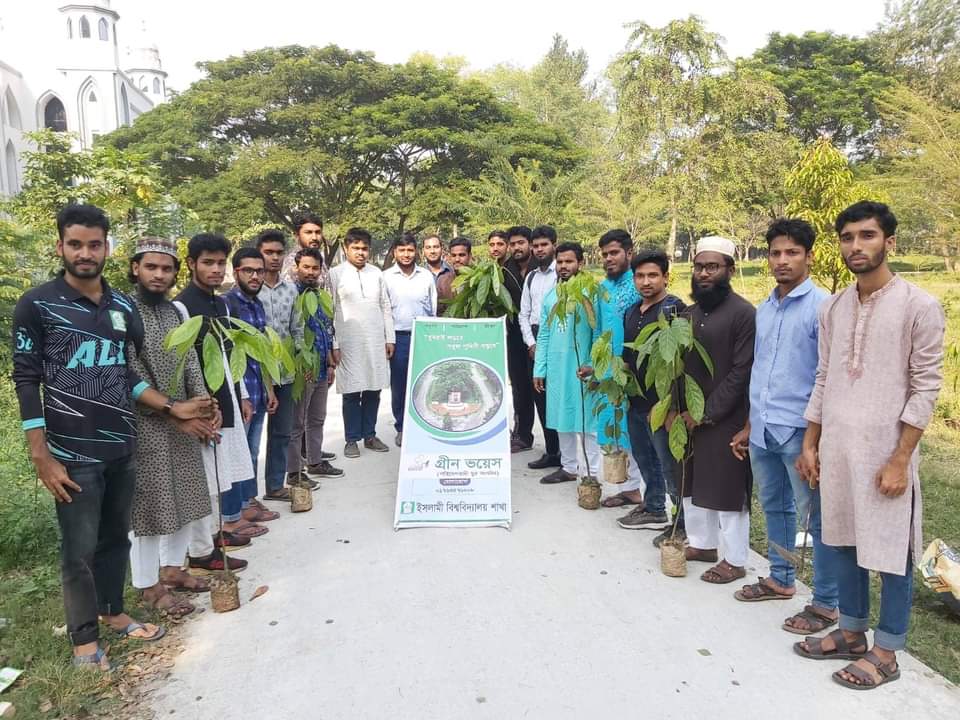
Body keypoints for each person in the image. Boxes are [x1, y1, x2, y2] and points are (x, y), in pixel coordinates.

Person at [12, 204, 214, 669]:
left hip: (123, 444)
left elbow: (125, 373)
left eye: (94, 244)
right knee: (77, 550)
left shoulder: (123, 308)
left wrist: (171, 407)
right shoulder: (37, 304)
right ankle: (84, 642)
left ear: (108, 247)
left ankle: (114, 613)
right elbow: (26, 380)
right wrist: (41, 454)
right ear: (60, 245)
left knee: (115, 540)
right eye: (75, 244)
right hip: (70, 450)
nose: (85, 253)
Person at [795, 201, 945, 691]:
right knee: (840, 543)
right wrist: (811, 441)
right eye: (847, 237)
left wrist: (901, 458)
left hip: (885, 456)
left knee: (890, 553)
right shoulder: (833, 306)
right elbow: (824, 377)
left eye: (866, 236)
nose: (855, 246)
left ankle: (888, 650)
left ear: (889, 243)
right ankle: (854, 632)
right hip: (836, 451)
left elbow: (926, 387)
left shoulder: (919, 306)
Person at [729, 219, 840, 634]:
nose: (782, 260)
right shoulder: (766, 308)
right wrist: (748, 423)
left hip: (800, 433)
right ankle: (781, 578)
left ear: (809, 257)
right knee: (775, 508)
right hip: (762, 431)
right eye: (775, 253)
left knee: (817, 519)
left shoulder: (824, 307)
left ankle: (827, 602)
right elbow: (761, 371)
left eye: (792, 252)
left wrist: (814, 439)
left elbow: (828, 376)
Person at [126, 237, 224, 619]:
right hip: (146, 422)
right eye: (151, 267)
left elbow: (192, 363)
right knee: (149, 508)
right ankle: (148, 585)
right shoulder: (123, 311)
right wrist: (174, 411)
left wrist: (205, 404)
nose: (159, 275)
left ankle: (173, 569)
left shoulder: (176, 313)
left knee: (185, 496)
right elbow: (126, 371)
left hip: (184, 421)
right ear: (136, 268)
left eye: (166, 269)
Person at [174, 233, 264, 555]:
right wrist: (197, 406)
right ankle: (203, 546)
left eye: (220, 263)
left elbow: (229, 353)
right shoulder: (181, 308)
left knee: (220, 471)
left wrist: (240, 394)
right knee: (204, 475)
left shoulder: (222, 303)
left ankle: (217, 534)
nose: (215, 269)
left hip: (226, 391)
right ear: (191, 264)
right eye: (207, 262)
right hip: (201, 402)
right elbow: (182, 362)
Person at [680, 236, 755, 585]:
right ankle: (702, 544)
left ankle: (735, 559)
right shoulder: (688, 314)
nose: (704, 273)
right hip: (687, 417)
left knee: (726, 490)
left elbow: (741, 372)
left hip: (726, 417)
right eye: (699, 267)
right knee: (693, 485)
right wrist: (676, 409)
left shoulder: (743, 314)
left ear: (729, 270)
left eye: (712, 267)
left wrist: (705, 412)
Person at [618, 249, 687, 538]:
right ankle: (654, 507)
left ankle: (683, 524)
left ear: (665, 277)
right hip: (636, 400)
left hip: (662, 405)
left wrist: (672, 405)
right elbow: (627, 354)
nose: (646, 282)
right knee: (645, 459)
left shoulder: (675, 310)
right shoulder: (632, 311)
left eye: (653, 275)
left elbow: (682, 360)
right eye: (640, 276)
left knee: (671, 467)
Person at [255, 229, 321, 502]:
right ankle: (246, 498)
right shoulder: (247, 291)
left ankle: (274, 486)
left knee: (282, 431)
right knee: (252, 437)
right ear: (259, 253)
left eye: (278, 253)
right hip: (257, 373)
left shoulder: (291, 290)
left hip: (286, 372)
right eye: (268, 252)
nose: (274, 258)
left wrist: (303, 359)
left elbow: (297, 328)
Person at [587, 229, 645, 507]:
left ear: (629, 253)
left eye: (614, 253)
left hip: (635, 368)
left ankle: (641, 489)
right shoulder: (603, 288)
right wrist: (593, 365)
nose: (609, 259)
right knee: (614, 425)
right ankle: (629, 487)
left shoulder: (639, 283)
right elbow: (599, 329)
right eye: (605, 254)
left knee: (635, 428)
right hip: (608, 371)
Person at [532, 242, 599, 484]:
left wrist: (593, 363)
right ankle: (569, 467)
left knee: (586, 421)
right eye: (559, 262)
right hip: (557, 367)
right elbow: (545, 333)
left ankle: (591, 474)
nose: (563, 266)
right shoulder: (552, 295)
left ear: (580, 263)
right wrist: (540, 368)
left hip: (582, 367)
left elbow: (597, 331)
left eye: (569, 261)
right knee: (561, 417)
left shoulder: (591, 293)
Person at [223, 247, 282, 522]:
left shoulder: (257, 304)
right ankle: (236, 510)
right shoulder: (228, 305)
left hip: (259, 389)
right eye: (249, 271)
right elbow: (227, 354)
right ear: (236, 272)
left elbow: (262, 352)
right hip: (241, 394)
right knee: (238, 453)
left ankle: (249, 499)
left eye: (259, 271)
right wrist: (240, 395)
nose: (256, 276)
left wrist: (270, 389)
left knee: (252, 450)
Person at [330, 228, 396, 458]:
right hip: (348, 342)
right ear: (345, 248)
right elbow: (330, 310)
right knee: (351, 391)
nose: (360, 252)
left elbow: (385, 306)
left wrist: (390, 338)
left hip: (375, 339)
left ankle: (369, 435)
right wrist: (334, 343)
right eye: (355, 248)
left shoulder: (377, 273)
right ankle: (351, 439)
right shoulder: (335, 274)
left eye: (364, 248)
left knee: (373, 388)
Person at [288, 247, 343, 481]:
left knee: (317, 418)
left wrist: (330, 363)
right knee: (297, 422)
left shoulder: (321, 296)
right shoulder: (292, 295)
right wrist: (302, 364)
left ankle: (315, 462)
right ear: (296, 268)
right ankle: (294, 473)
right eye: (306, 267)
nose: (311, 272)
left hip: (322, 365)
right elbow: (292, 333)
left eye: (315, 268)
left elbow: (326, 328)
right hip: (303, 369)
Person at [383, 232, 437, 447]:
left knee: (425, 382)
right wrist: (388, 339)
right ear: (395, 252)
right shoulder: (386, 277)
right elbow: (384, 309)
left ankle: (425, 425)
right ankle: (402, 427)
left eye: (410, 250)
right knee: (400, 385)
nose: (406, 255)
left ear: (416, 252)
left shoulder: (426, 276)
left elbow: (432, 309)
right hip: (398, 338)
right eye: (402, 250)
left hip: (423, 335)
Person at [520, 225, 560, 469]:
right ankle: (551, 451)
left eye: (544, 245)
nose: (539, 249)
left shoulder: (563, 274)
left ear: (554, 245)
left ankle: (565, 456)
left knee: (557, 398)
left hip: (558, 339)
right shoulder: (532, 277)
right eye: (536, 245)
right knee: (540, 398)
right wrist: (531, 343)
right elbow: (523, 314)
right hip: (534, 340)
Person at [502, 226, 536, 454]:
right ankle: (523, 434)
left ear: (530, 244)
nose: (516, 248)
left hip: (538, 334)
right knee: (520, 387)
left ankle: (555, 444)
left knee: (541, 387)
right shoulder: (505, 270)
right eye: (512, 244)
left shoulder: (541, 268)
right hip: (514, 335)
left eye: (520, 243)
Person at [282, 211, 329, 288]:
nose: (314, 237)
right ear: (297, 235)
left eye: (318, 232)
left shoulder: (318, 259)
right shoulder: (293, 262)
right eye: (308, 232)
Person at [436, 236, 472, 311]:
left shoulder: (478, 278)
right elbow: (439, 311)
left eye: (461, 255)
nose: (457, 259)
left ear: (469, 256)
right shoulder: (442, 281)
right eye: (454, 255)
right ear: (449, 257)